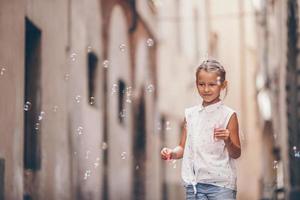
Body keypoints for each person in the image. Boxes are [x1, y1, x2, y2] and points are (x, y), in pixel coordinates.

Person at [160, 59, 241, 200]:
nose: (206, 89)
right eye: (201, 84)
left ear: (223, 85)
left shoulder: (228, 115)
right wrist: (172, 153)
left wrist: (228, 140)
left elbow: (236, 153)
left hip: (222, 186)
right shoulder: (190, 115)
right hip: (195, 185)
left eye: (212, 84)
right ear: (196, 84)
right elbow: (183, 147)